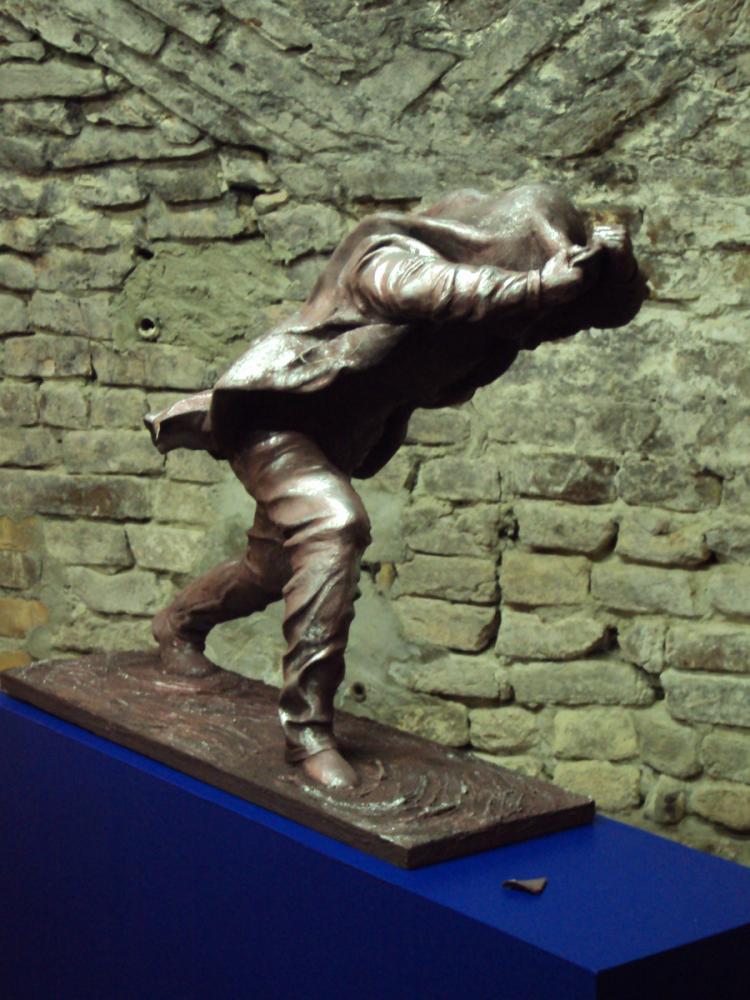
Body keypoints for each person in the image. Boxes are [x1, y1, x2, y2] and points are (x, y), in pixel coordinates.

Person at [145, 183, 646, 789]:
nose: (535, 324)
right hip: (276, 419)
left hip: (342, 438)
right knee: (335, 526)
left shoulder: (504, 317)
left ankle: (179, 623)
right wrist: (534, 287)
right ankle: (307, 732)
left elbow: (601, 309)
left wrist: (613, 264)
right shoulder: (386, 257)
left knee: (270, 569)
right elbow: (437, 291)